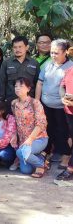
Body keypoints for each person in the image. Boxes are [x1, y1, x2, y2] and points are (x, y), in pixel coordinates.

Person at [35, 39, 73, 167]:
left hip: (62, 107)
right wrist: (37, 101)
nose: (53, 55)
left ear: (65, 53)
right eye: (52, 52)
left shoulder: (70, 67)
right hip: (45, 104)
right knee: (47, 130)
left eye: (56, 53)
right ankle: (47, 153)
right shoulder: (48, 65)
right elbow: (40, 83)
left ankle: (65, 156)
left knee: (63, 131)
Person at [12, 77, 49, 177]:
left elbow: (41, 124)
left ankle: (41, 165)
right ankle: (40, 157)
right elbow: (15, 122)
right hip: (24, 141)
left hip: (38, 139)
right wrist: (14, 136)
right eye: (16, 86)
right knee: (26, 170)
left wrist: (30, 139)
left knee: (20, 152)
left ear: (28, 88)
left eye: (21, 86)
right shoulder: (14, 103)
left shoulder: (35, 103)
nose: (17, 88)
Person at [0, 36, 40, 108]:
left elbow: (38, 83)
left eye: (20, 47)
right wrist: (1, 100)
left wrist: (36, 101)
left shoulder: (34, 63)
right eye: (15, 47)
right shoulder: (6, 63)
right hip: (11, 102)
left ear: (27, 47)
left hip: (29, 103)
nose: (17, 49)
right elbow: (2, 82)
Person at [56, 49, 73, 180]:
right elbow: (62, 86)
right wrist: (63, 98)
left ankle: (70, 169)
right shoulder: (70, 70)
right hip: (69, 111)